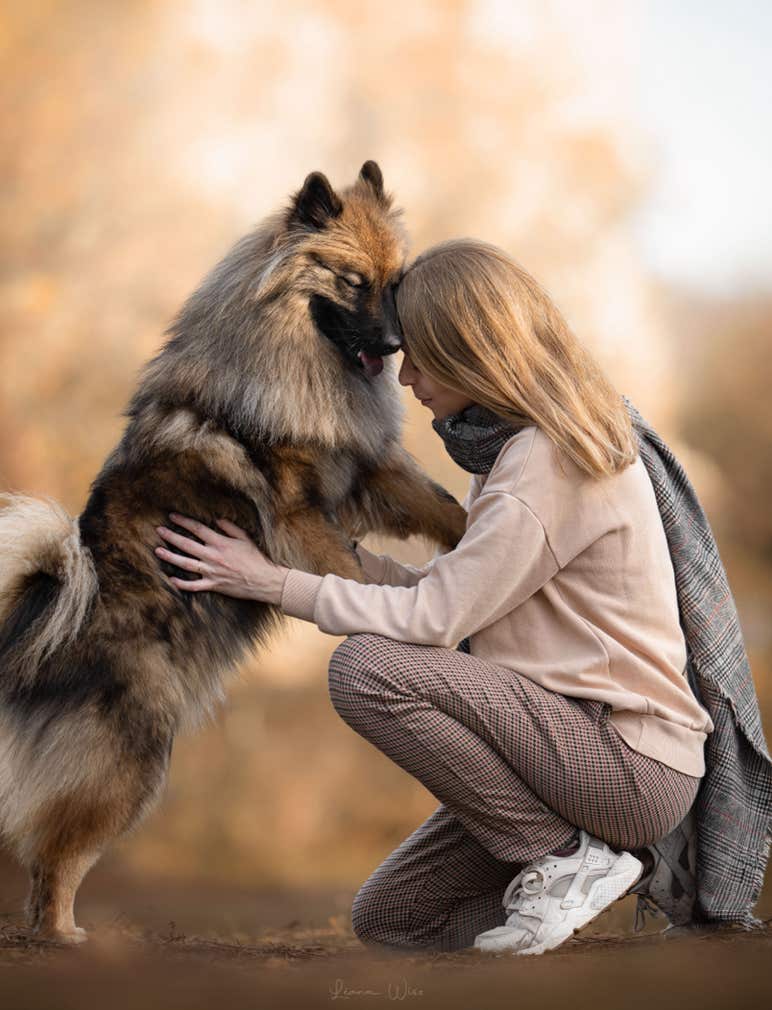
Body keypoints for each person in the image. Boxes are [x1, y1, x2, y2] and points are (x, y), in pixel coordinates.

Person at [154, 238, 714, 955]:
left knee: (366, 670)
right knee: (393, 920)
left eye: (417, 356)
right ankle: (577, 871)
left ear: (470, 353)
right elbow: (454, 595)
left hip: (623, 759)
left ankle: (567, 857)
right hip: (559, 745)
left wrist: (269, 584)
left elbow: (435, 621)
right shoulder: (513, 452)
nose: (403, 374)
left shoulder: (547, 462)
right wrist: (323, 556)